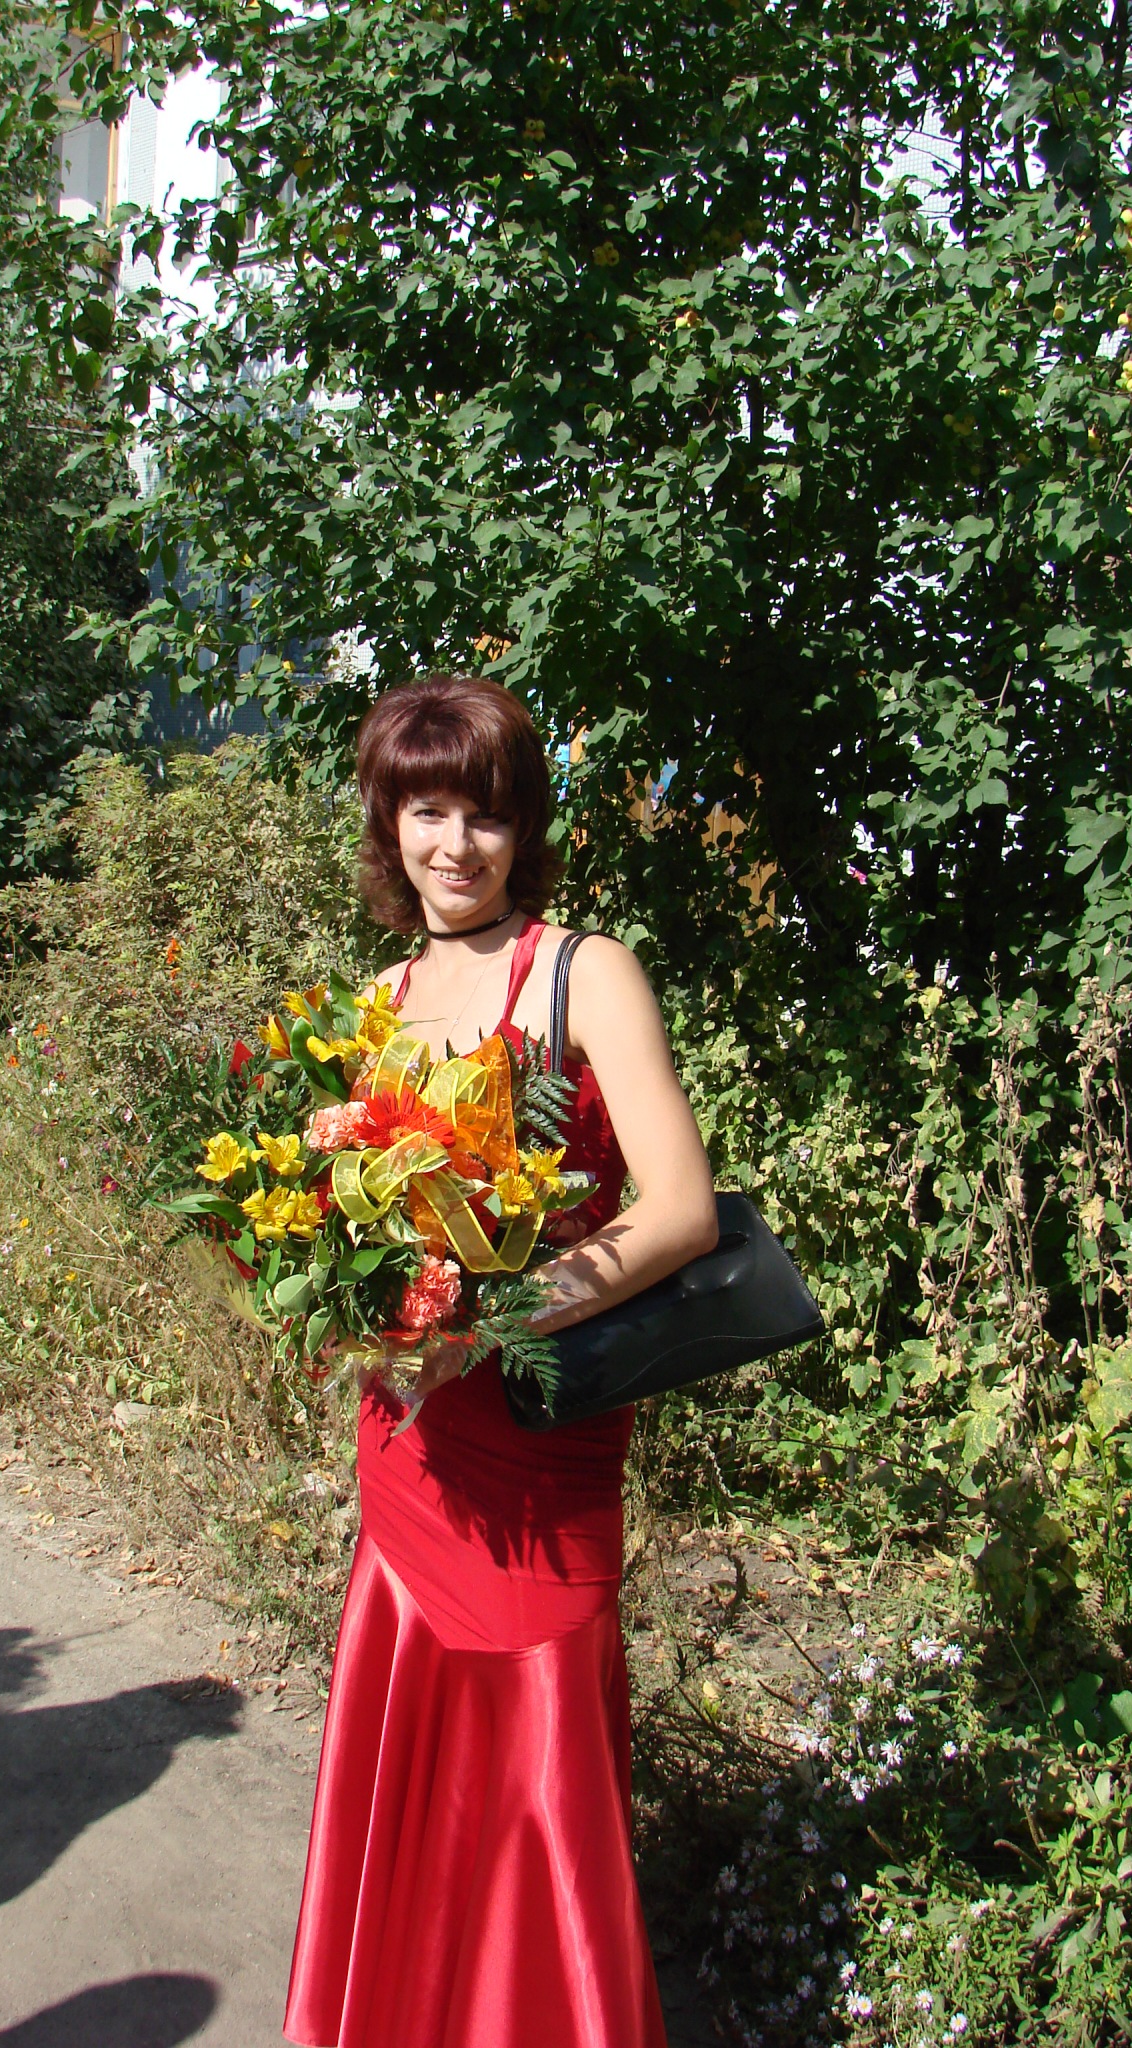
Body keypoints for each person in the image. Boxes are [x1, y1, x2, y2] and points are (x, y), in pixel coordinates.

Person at [284, 674, 718, 2048]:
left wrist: (502, 1317)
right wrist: (333, 1284)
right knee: (417, 1755)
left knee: (540, 1757)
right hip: (409, 1446)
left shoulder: (586, 971)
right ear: (388, 823)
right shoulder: (376, 998)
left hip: (540, 1436)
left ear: (522, 826)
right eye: (425, 812)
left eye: (482, 813)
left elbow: (681, 1209)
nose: (455, 845)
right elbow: (359, 1223)